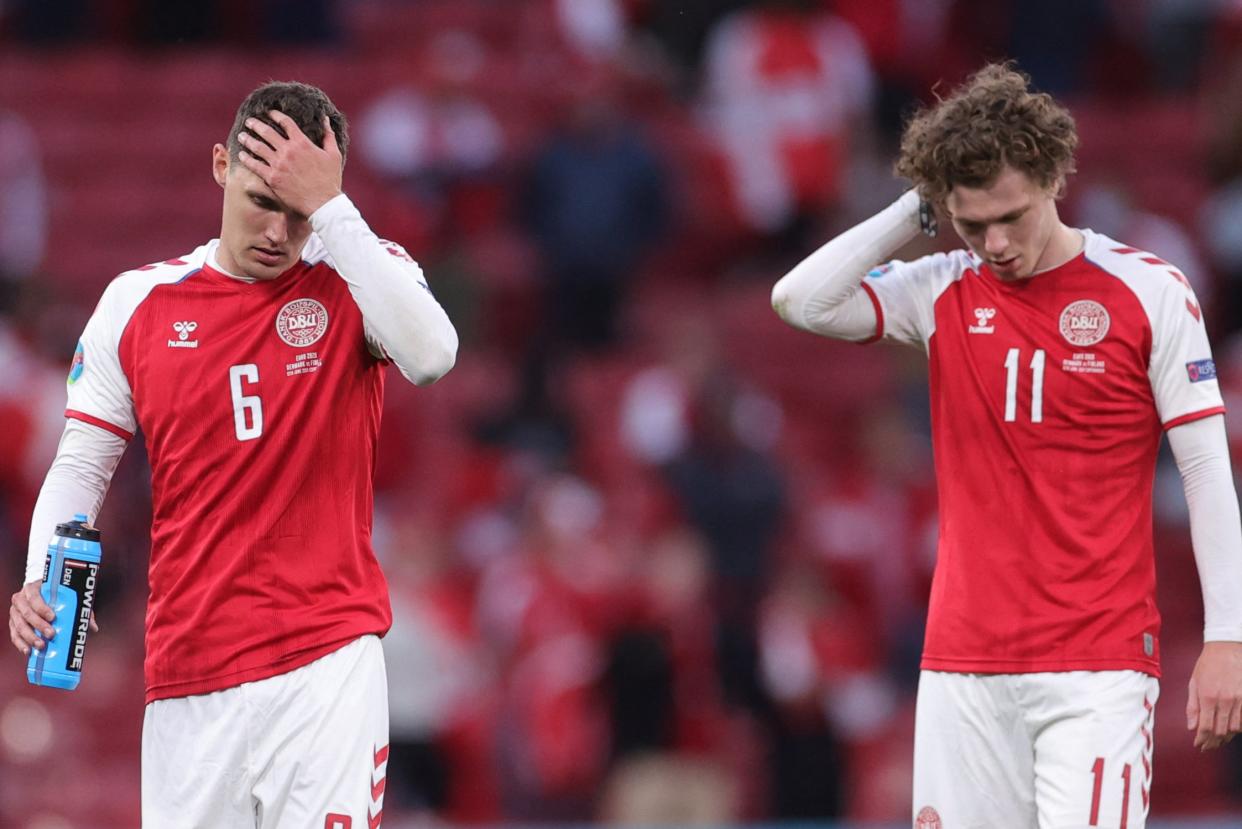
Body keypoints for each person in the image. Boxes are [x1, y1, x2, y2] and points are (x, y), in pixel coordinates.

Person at [771, 63, 1242, 828]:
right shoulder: (942, 287)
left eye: (1011, 216)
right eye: (970, 221)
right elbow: (799, 299)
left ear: (1055, 176)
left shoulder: (1149, 292)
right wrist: (914, 209)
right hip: (961, 664)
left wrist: (1228, 638)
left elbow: (1206, 469)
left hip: (1098, 666)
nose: (994, 243)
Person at [7, 81, 458, 827]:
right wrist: (37, 577)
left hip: (325, 663)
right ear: (221, 166)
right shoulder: (136, 304)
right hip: (189, 677)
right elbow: (82, 465)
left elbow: (434, 354)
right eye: (261, 200)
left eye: (299, 211)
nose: (279, 232)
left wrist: (336, 215)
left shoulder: (357, 273)